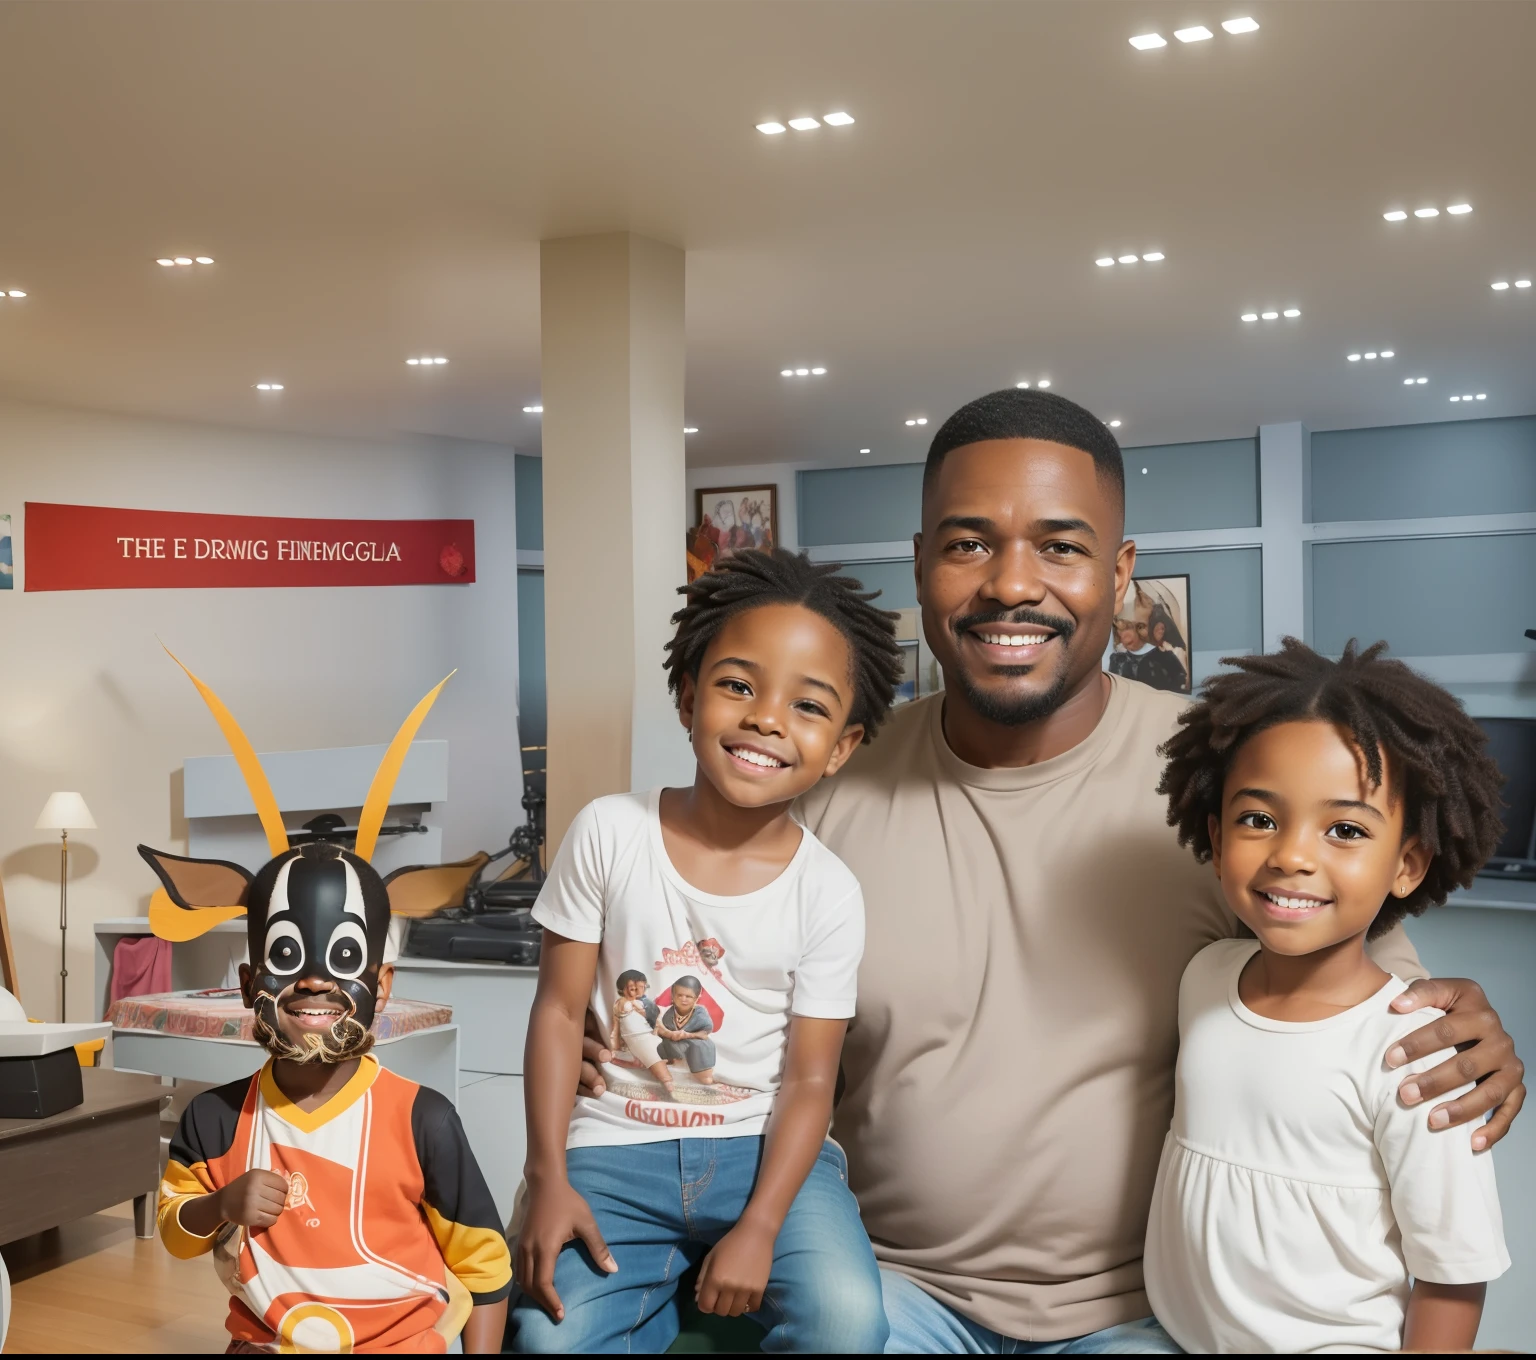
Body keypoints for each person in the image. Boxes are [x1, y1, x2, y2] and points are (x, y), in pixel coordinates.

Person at [573, 389, 1525, 1353]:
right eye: (968, 544)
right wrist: (608, 1042)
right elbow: (684, 991)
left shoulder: (1231, 785)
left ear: (1120, 575)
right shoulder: (821, 792)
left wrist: (1458, 1033)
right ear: (919, 563)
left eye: (1061, 548)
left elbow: (1383, 1005)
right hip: (884, 1293)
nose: (1010, 586)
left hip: (1147, 1312)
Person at [509, 547, 905, 1353]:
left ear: (841, 746)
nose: (765, 718)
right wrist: (546, 1175)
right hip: (613, 1147)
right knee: (547, 1336)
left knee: (847, 1320)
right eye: (737, 685)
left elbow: (809, 1077)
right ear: (688, 697)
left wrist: (761, 1224)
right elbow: (556, 1012)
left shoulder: (829, 892)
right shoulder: (607, 832)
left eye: (808, 706)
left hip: (767, 1156)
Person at [1146, 639, 1509, 1352]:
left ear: (1407, 864)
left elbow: (1452, 1272)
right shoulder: (1204, 978)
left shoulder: (1417, 1053)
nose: (1292, 855)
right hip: (1176, 1340)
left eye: (1344, 829)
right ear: (1216, 839)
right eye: (1259, 819)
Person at [149, 663, 512, 1354]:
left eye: (343, 963)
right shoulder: (214, 1119)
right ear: (250, 977)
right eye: (288, 960)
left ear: (382, 981)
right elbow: (174, 1230)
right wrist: (219, 1205)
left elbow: (486, 1269)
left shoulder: (422, 1119)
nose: (314, 982)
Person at [607, 970, 671, 1093]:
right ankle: (667, 1083)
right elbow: (616, 1026)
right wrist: (615, 1046)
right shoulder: (621, 1003)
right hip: (636, 1038)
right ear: (622, 989)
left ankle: (638, 1063)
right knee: (654, 1058)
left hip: (647, 1034)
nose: (637, 991)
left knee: (666, 1050)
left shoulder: (642, 1002)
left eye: (641, 987)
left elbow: (652, 1016)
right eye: (632, 988)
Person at [655, 974, 718, 1085]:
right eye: (679, 995)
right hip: (676, 1044)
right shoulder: (670, 1012)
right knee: (660, 1044)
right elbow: (665, 1030)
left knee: (700, 1046)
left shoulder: (700, 1012)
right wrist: (669, 1034)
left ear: (697, 997)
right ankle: (670, 1063)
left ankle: (704, 1076)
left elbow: (704, 1034)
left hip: (696, 1042)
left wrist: (687, 1035)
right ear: (673, 995)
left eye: (688, 996)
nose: (683, 999)